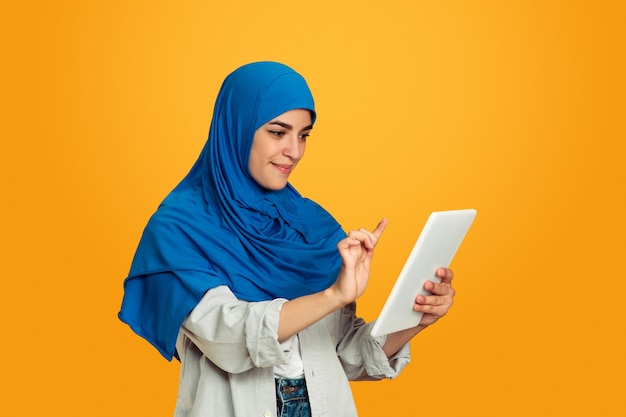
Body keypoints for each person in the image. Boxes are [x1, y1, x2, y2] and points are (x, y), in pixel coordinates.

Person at [118, 61, 456, 417]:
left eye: (303, 135)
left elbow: (343, 354)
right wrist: (333, 295)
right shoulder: (179, 227)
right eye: (278, 132)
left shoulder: (311, 227)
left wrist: (415, 316)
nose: (294, 151)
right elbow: (229, 338)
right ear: (236, 128)